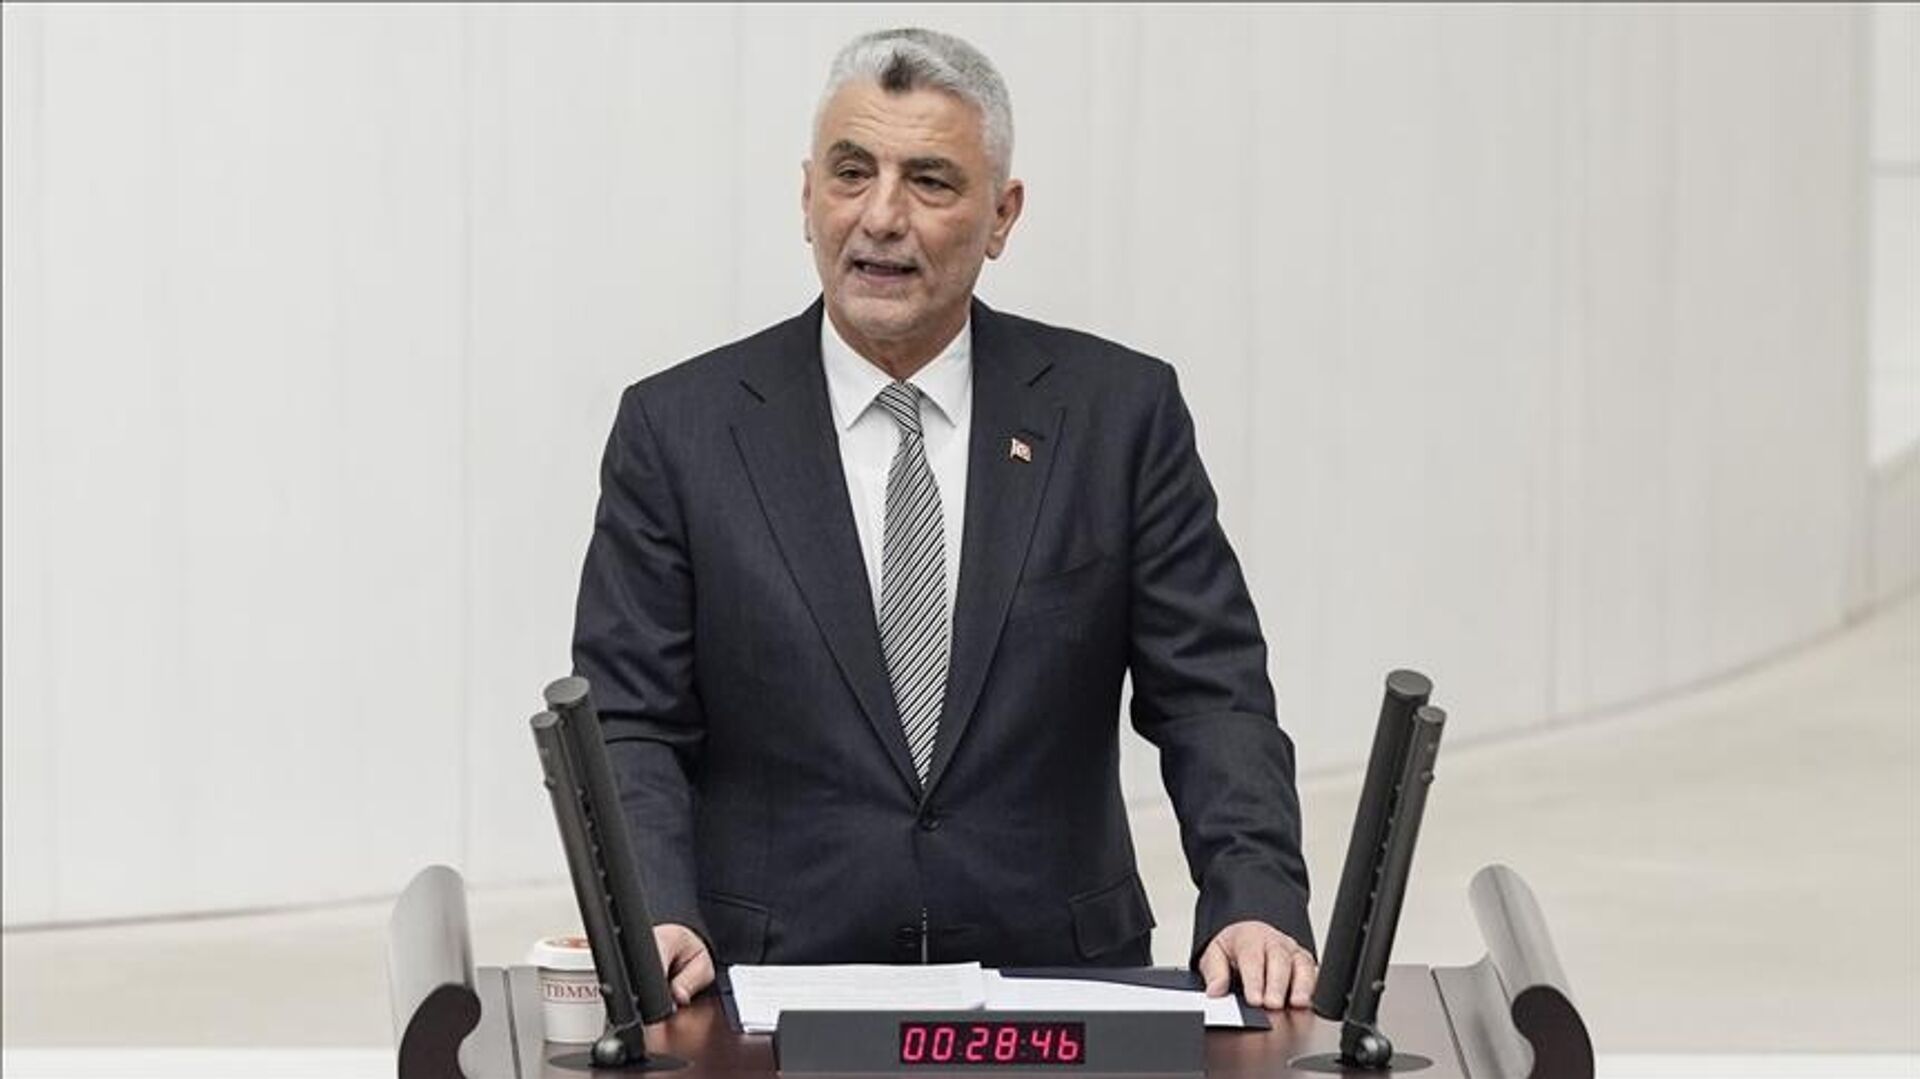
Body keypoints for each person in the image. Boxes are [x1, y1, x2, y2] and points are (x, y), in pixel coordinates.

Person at [571, 27, 1316, 1013]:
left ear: (1002, 215)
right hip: (767, 991)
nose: (881, 217)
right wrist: (654, 911)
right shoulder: (680, 431)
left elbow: (1211, 695)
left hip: (1057, 984)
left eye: (929, 181)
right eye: (852, 173)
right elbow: (630, 719)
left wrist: (1254, 898)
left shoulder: (1117, 416)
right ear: (807, 195)